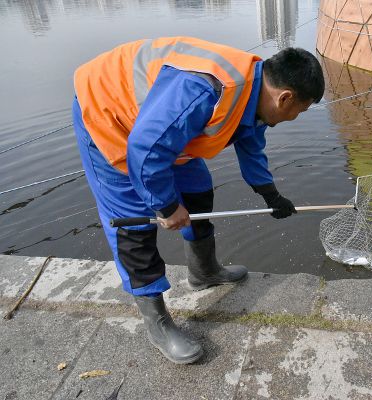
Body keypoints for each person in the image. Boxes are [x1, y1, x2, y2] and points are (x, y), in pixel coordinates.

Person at [72, 37, 324, 364]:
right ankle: (157, 324)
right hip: (110, 118)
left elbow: (250, 142)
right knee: (133, 224)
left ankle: (204, 271)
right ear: (285, 97)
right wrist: (166, 207)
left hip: (163, 126)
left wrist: (270, 194)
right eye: (299, 111)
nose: (296, 117)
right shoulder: (208, 91)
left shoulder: (256, 89)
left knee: (198, 190)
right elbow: (145, 150)